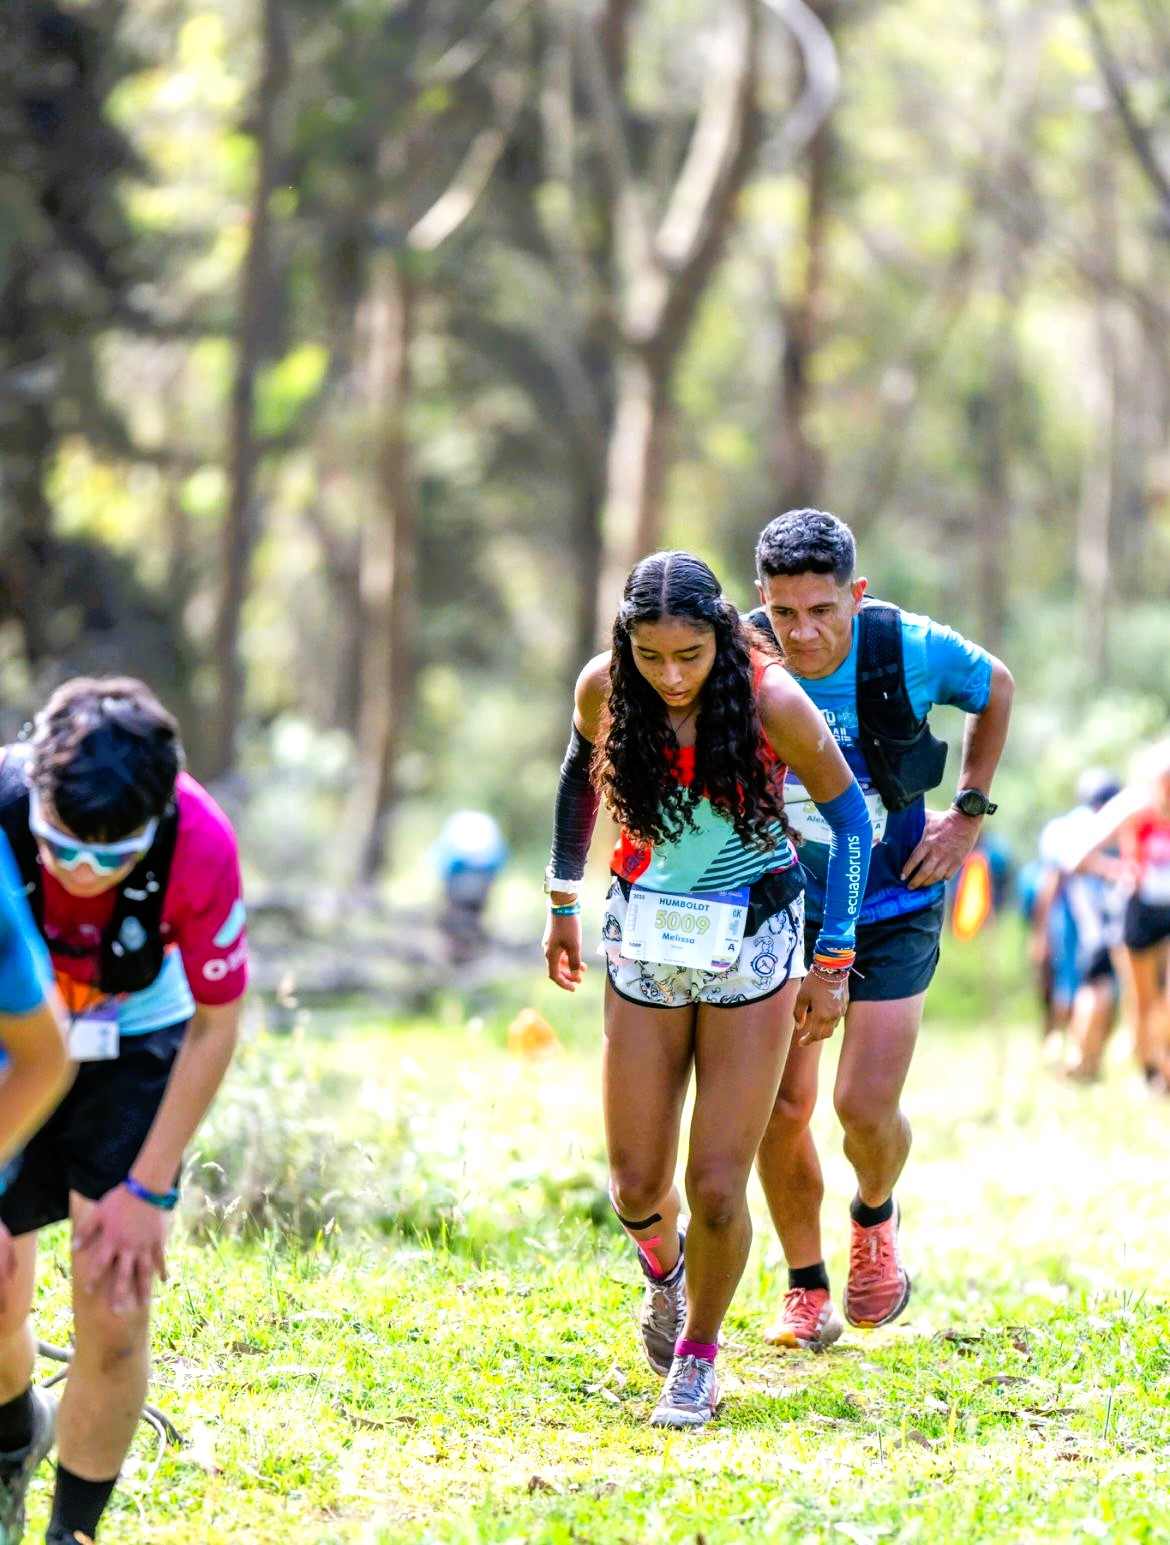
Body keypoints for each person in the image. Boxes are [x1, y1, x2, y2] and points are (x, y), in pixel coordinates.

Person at [543, 551, 871, 1428]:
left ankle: (696, 1358)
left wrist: (834, 960)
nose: (673, 675)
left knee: (719, 1182)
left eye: (689, 655)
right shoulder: (604, 687)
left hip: (754, 947)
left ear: (720, 634)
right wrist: (562, 899)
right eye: (651, 656)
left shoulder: (773, 700)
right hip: (644, 943)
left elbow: (851, 821)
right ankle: (667, 1275)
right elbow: (578, 778)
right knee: (635, 1184)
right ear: (626, 641)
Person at [747, 510, 1013, 1350]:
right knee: (781, 1106)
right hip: (786, 905)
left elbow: (997, 685)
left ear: (856, 594)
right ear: (761, 600)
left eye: (822, 610)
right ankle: (805, 1287)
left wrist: (967, 814)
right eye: (784, 612)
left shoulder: (909, 647)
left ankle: (874, 1215)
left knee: (862, 1105)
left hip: (897, 898)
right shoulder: (741, 656)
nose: (802, 632)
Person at [0, 678, 248, 1545]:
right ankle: (12, 1441)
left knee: (113, 1305)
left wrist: (148, 1190)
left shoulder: (201, 842)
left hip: (134, 1041)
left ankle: (72, 1532)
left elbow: (216, 1025)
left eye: (112, 858)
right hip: (10, 1040)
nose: (81, 873)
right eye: (61, 847)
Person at [1061, 738, 1170, 1089]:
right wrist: (1119, 870)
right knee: (1143, 1002)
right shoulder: (1134, 804)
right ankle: (1152, 1072)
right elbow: (1076, 857)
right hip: (1140, 912)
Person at [1031, 770, 1123, 1079]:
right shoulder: (1077, 827)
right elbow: (1053, 880)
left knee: (1081, 989)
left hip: (1091, 922)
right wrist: (1042, 932)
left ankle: (1082, 1057)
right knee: (1079, 989)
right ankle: (1073, 1056)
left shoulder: (1071, 825)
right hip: (1077, 920)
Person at [431, 810, 508, 963]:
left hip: (456, 886)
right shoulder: (486, 833)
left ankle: (462, 951)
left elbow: (440, 860)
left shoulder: (456, 831)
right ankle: (466, 950)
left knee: (457, 917)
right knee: (469, 918)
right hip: (479, 886)